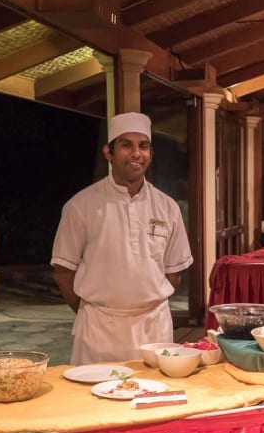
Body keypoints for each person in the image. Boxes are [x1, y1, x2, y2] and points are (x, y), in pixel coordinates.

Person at [51, 112, 192, 365]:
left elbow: (175, 271)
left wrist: (146, 299)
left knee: (153, 389)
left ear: (151, 154)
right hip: (99, 329)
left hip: (153, 327)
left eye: (143, 146)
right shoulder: (81, 206)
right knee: (96, 389)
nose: (136, 153)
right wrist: (95, 310)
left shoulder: (167, 207)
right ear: (109, 152)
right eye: (126, 145)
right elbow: (63, 271)